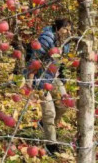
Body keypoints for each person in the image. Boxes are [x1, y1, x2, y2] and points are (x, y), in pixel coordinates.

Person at [25, 18, 72, 155]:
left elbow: (62, 60)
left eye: (69, 29)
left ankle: (43, 124)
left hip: (54, 77)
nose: (67, 32)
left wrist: (63, 75)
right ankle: (51, 144)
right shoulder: (46, 39)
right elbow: (34, 59)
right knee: (49, 111)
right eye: (65, 29)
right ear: (57, 28)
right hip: (41, 78)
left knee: (64, 104)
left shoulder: (66, 41)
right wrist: (30, 81)